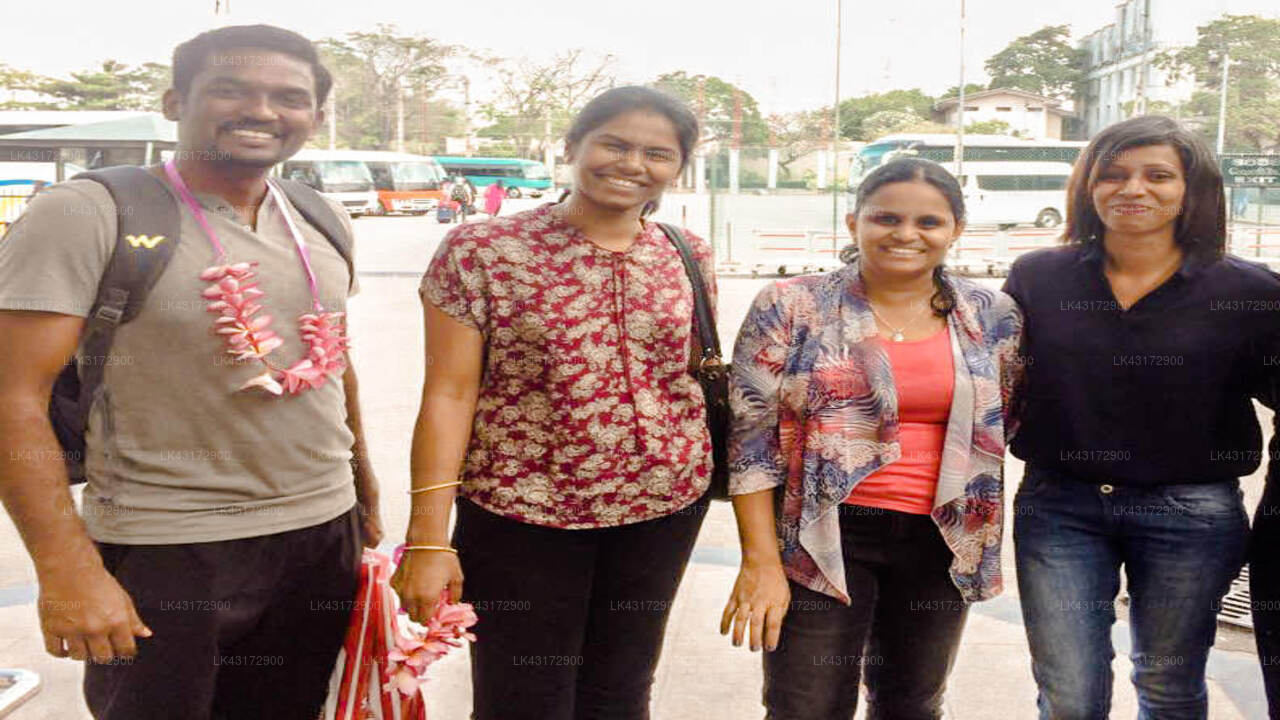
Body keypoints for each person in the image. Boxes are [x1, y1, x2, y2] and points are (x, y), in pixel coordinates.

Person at [0, 24, 382, 720]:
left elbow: (331, 357)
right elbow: (11, 395)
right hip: (166, 544)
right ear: (177, 101)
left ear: (317, 117)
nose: (263, 111)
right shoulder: (86, 213)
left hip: (321, 534)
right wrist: (65, 569)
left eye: (289, 97)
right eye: (231, 89)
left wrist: (363, 488)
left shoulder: (319, 218)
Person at [392, 86, 711, 720]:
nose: (632, 164)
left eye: (657, 153)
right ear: (572, 148)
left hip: (663, 506)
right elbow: (449, 394)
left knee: (620, 689)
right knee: (523, 696)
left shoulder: (684, 251)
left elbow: (690, 374)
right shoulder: (482, 250)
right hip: (524, 513)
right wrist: (428, 540)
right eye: (614, 144)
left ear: (678, 167)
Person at [723, 156, 1023, 719]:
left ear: (955, 230)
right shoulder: (793, 305)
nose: (906, 234)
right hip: (823, 534)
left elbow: (1006, 416)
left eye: (929, 222)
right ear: (853, 221)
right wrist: (760, 561)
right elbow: (750, 444)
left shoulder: (992, 313)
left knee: (911, 703)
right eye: (886, 218)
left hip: (943, 537)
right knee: (805, 705)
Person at [1004, 115, 1280, 719]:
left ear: (1192, 190)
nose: (1133, 189)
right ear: (1088, 185)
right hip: (1059, 509)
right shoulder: (1037, 277)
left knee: (1169, 687)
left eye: (1158, 175)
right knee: (1070, 696)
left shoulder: (1252, 292)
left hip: (1191, 515)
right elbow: (991, 378)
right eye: (1113, 173)